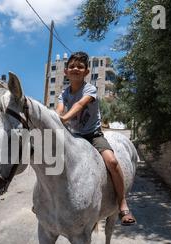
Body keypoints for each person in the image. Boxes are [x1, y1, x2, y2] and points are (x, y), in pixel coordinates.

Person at [56, 51, 136, 226]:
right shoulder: (63, 93)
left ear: (86, 72)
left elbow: (79, 105)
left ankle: (122, 204)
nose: (75, 68)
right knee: (50, 160)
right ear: (66, 72)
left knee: (112, 162)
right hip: (74, 135)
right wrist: (56, 118)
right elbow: (59, 109)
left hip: (93, 135)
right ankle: (45, 202)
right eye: (71, 66)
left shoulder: (90, 89)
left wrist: (63, 119)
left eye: (80, 66)